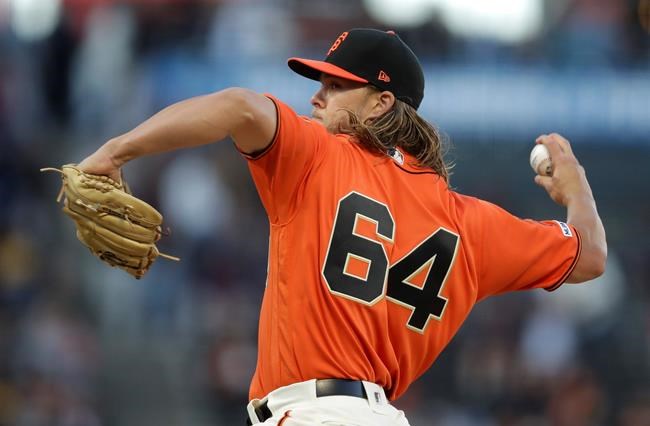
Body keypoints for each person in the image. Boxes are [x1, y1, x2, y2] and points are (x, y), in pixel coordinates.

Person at [76, 28, 607, 425]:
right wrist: (576, 185)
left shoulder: (318, 155)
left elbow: (237, 106)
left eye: (335, 85)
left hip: (311, 414)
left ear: (382, 103)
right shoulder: (473, 224)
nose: (316, 97)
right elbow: (588, 256)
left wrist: (116, 150)